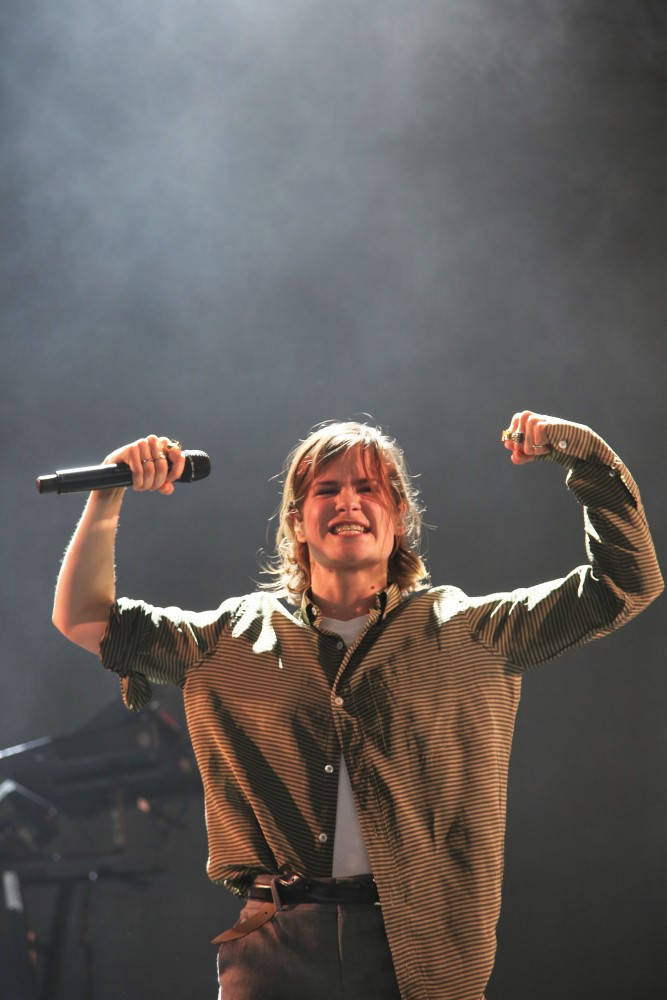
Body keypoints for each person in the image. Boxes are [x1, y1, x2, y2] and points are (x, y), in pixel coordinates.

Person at [52, 411, 663, 1000]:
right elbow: (83, 618)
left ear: (398, 518)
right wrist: (110, 489)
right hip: (276, 949)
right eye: (327, 489)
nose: (348, 501)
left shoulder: (467, 631)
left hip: (424, 951)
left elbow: (626, 583)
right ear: (296, 521)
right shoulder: (232, 639)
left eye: (369, 487)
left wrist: (589, 459)